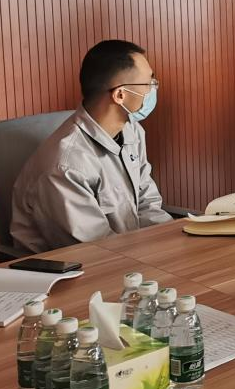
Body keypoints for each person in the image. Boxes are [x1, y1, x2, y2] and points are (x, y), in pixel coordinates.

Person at [10, 40, 173, 253]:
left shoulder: (132, 131)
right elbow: (94, 249)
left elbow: (147, 203)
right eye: (149, 83)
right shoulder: (66, 166)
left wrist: (172, 242)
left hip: (131, 255)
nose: (154, 89)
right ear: (120, 95)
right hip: (84, 265)